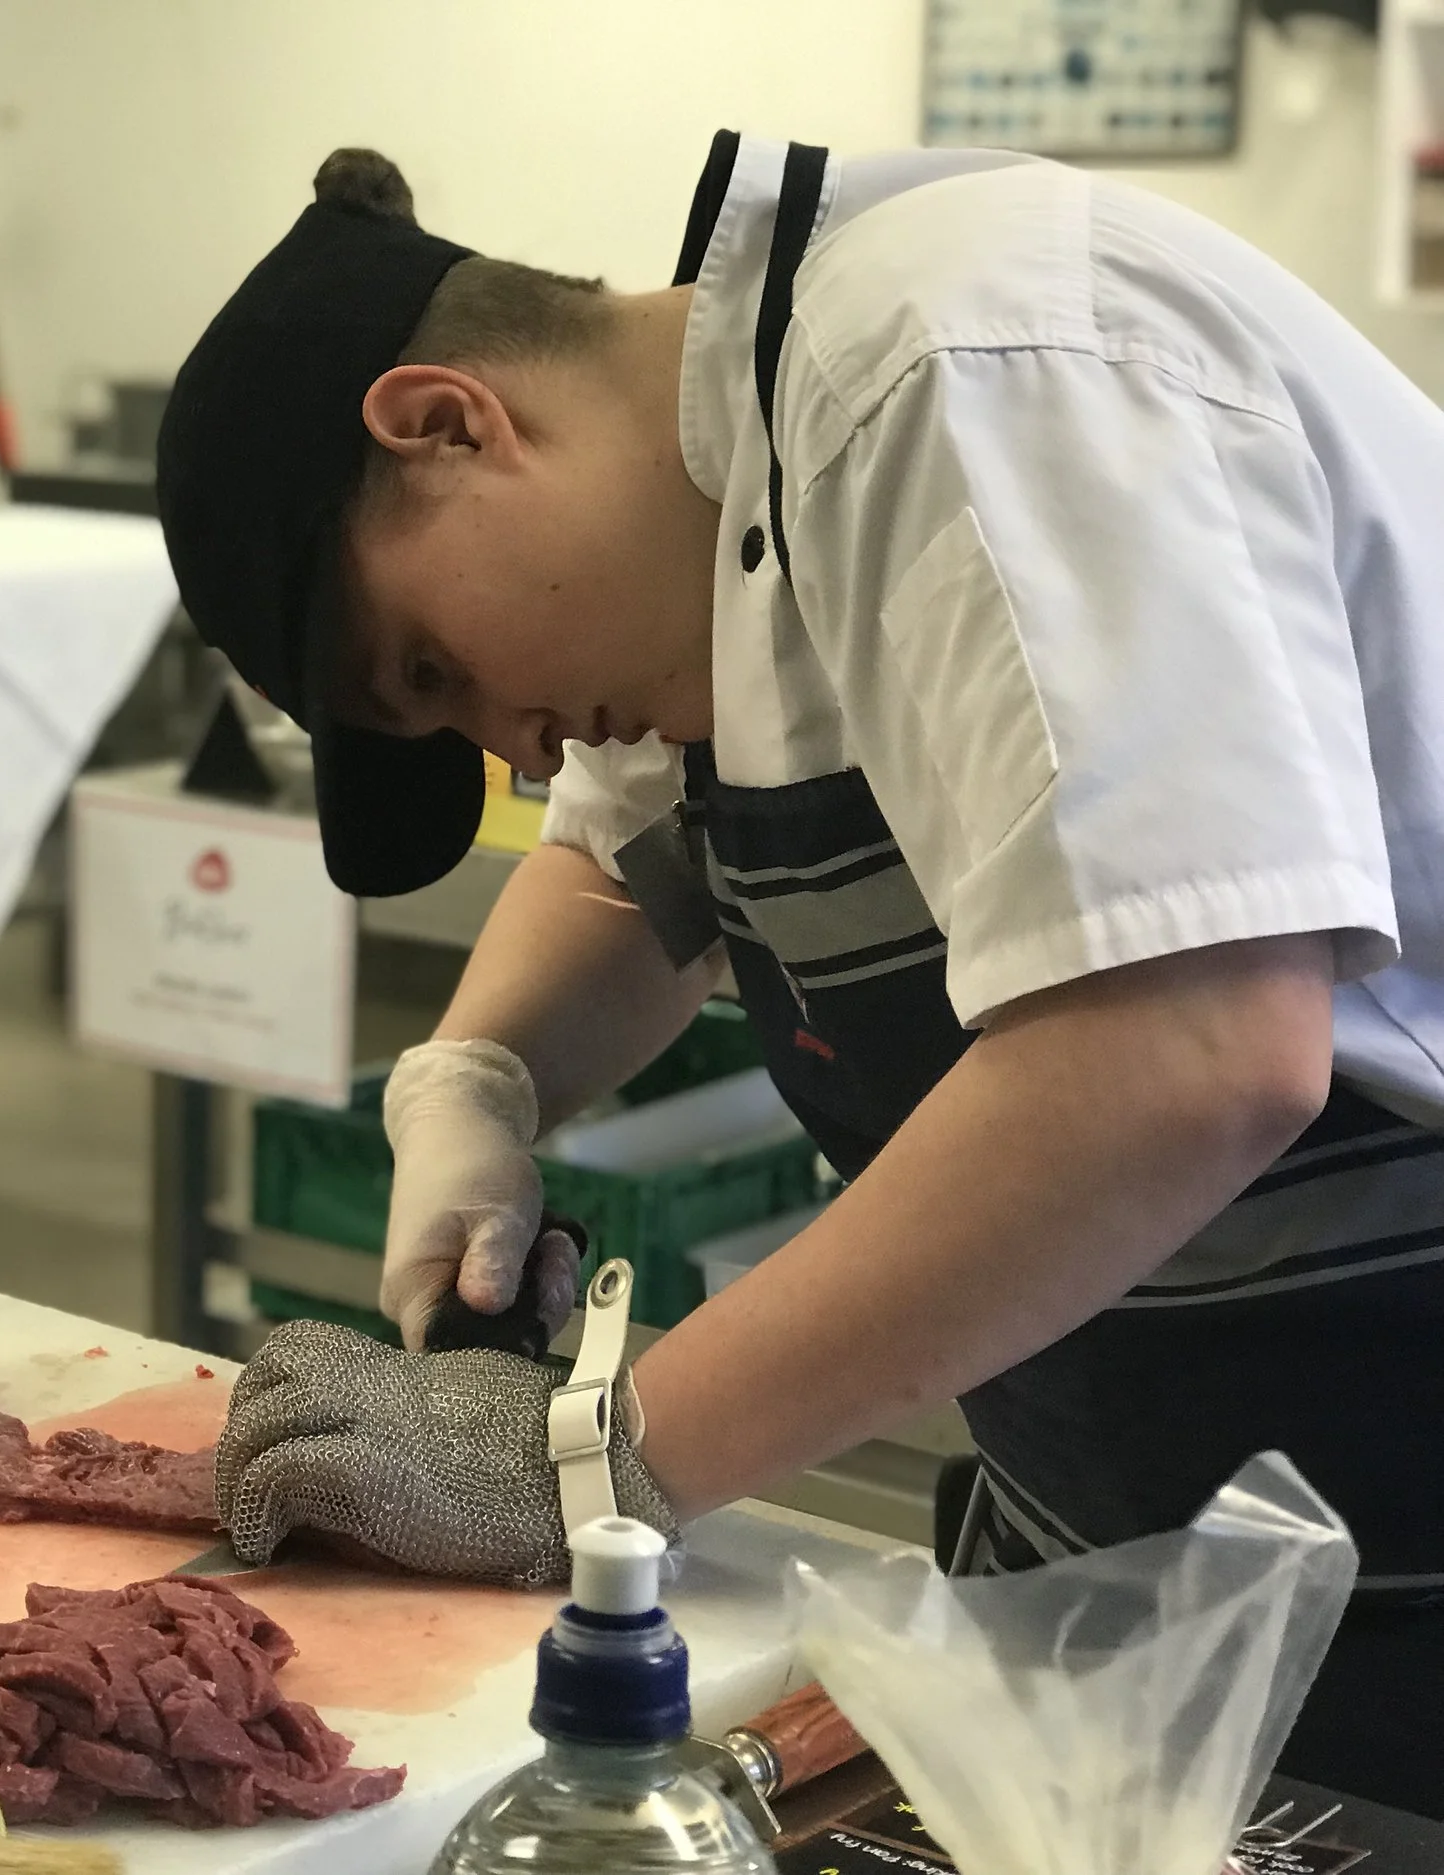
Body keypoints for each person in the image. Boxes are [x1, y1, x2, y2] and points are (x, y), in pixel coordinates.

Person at [154, 135, 1444, 1813]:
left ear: (448, 423)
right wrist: (473, 1082)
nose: (518, 751)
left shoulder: (958, 363)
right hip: (1148, 1543)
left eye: (435, 668)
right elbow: (624, 871)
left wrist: (590, 1461)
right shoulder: (724, 508)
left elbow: (1188, 1050)